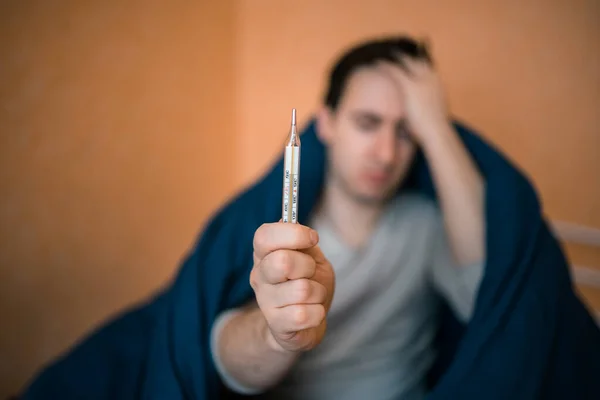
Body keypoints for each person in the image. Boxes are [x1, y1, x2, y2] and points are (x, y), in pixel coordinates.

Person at [211, 36, 487, 400]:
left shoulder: (428, 227)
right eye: (367, 123)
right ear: (326, 123)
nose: (387, 154)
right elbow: (225, 359)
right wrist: (276, 334)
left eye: (406, 131)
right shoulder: (278, 233)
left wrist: (435, 124)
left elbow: (488, 297)